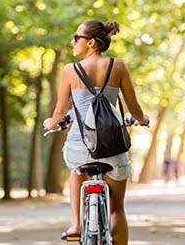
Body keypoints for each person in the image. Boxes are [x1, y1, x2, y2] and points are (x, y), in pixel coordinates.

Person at [43, 20, 149, 245]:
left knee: (75, 169)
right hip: (113, 147)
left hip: (80, 147)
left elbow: (60, 111)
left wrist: (51, 124)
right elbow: (134, 108)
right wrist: (143, 120)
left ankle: (76, 225)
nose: (72, 42)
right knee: (117, 209)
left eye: (76, 38)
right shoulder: (118, 66)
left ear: (90, 42)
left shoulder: (70, 70)